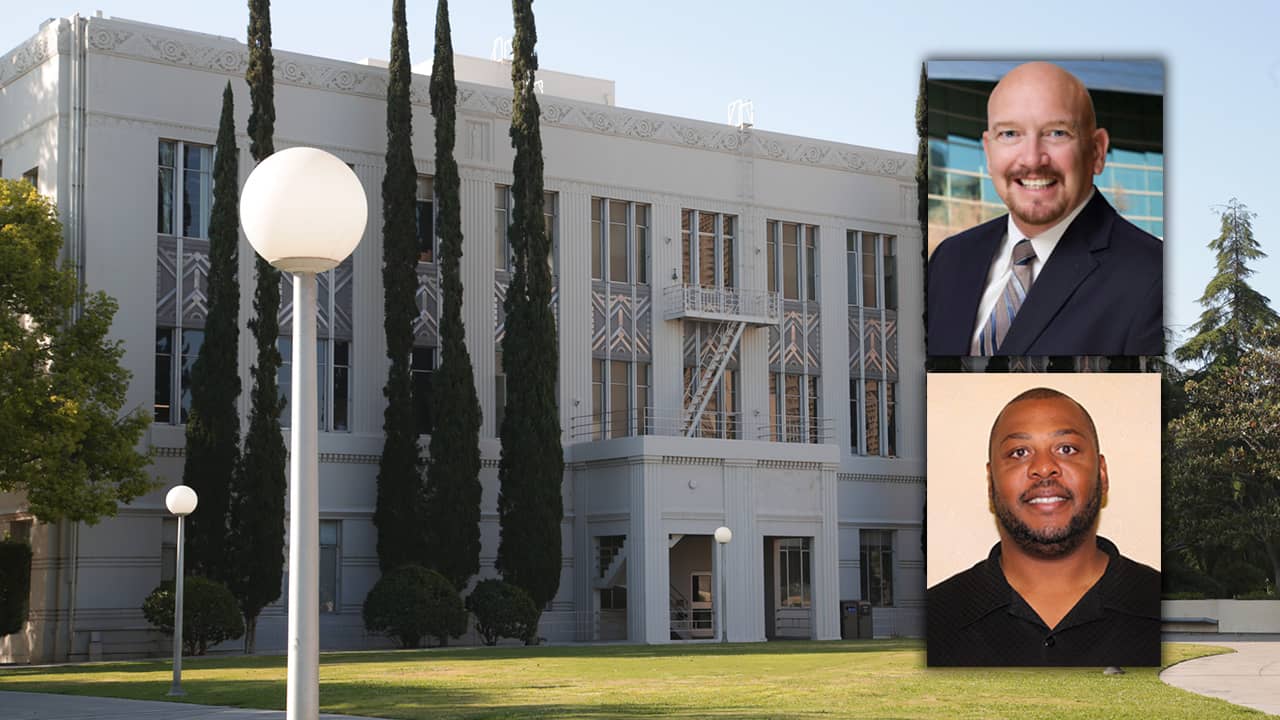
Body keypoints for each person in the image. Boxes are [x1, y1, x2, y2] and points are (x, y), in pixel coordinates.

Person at [927, 62, 1162, 357]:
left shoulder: (1152, 276)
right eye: (1010, 134)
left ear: (1097, 151)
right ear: (988, 151)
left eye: (1057, 133)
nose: (1032, 159)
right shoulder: (949, 259)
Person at [927, 387, 1160, 666]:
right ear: (991, 483)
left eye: (1066, 449)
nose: (1044, 467)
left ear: (1102, 474)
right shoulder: (932, 621)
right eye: (1019, 452)